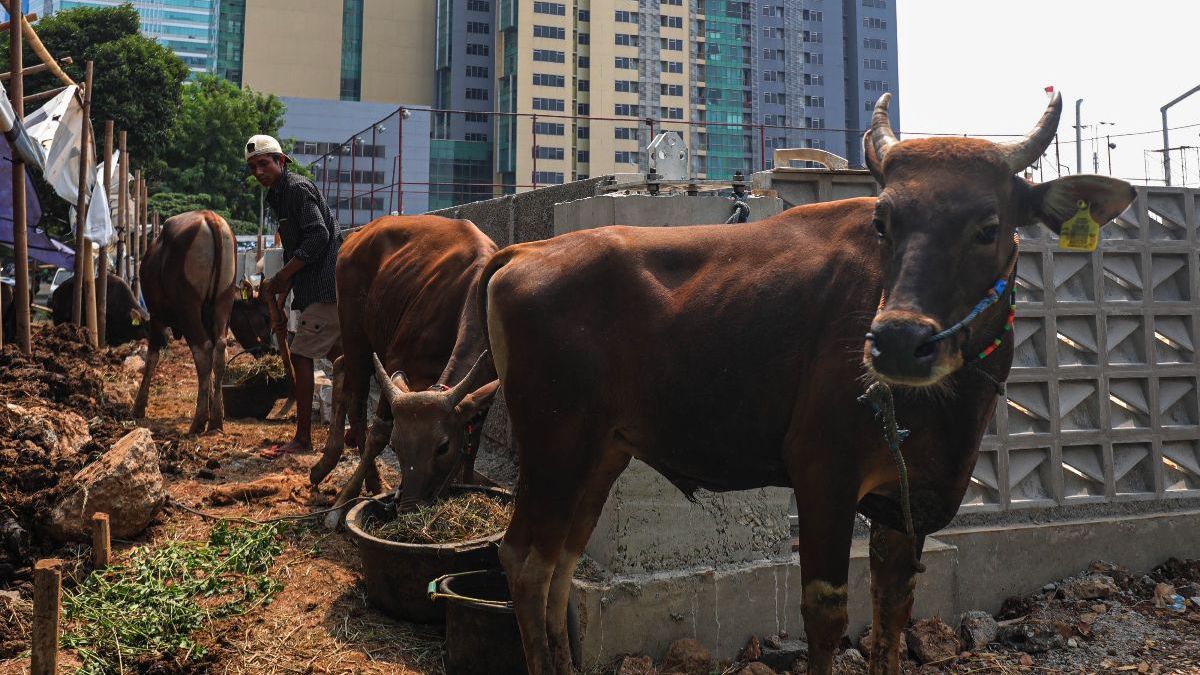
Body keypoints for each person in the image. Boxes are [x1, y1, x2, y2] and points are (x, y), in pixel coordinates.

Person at [245, 134, 343, 458]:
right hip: (309, 287)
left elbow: (319, 235)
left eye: (264, 163)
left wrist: (282, 277)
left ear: (281, 161)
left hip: (324, 285)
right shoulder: (277, 195)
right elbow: (294, 246)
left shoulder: (296, 189)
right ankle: (357, 428)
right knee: (341, 359)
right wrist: (283, 288)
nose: (258, 171)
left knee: (302, 355)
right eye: (253, 167)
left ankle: (303, 440)